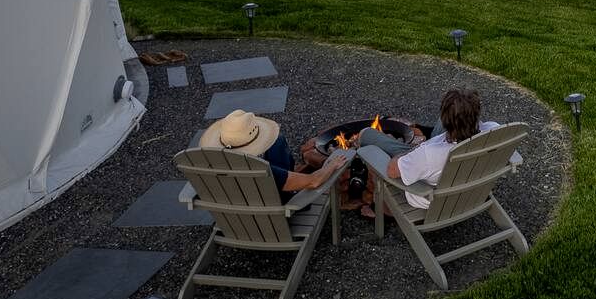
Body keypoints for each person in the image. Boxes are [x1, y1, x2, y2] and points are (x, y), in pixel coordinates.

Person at [354, 89, 497, 212]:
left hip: (434, 199)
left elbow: (392, 170)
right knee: (455, 110)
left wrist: (416, 150)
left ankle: (380, 211)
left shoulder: (428, 154)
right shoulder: (494, 131)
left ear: (447, 121)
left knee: (366, 134)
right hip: (472, 192)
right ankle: (424, 132)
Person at [199, 109, 350, 198]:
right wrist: (331, 165)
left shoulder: (208, 167)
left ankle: (291, 174)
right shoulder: (266, 172)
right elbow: (313, 181)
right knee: (279, 142)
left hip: (234, 216)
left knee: (277, 142)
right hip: (273, 214)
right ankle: (291, 180)